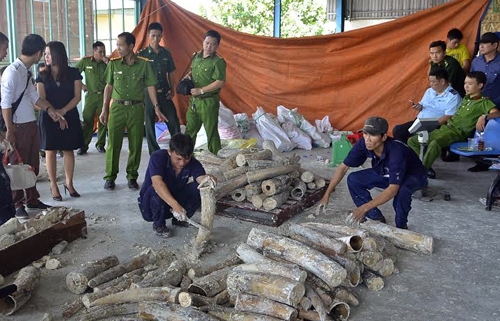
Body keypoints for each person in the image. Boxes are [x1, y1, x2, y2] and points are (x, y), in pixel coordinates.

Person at [317, 117, 427, 229]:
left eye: (373, 135)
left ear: (384, 137)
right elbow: (343, 167)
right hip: (386, 171)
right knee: (354, 179)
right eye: (365, 133)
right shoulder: (364, 143)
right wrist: (327, 194)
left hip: (413, 175)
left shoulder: (396, 151)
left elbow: (393, 189)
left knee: (402, 192)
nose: (367, 139)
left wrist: (363, 208)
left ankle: (401, 227)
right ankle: (375, 217)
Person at [1, 34, 64, 218]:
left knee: (31, 166)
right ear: (37, 53)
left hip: (29, 125)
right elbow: (5, 104)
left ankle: (32, 199)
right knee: (17, 166)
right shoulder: (12, 72)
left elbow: (33, 96)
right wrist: (10, 130)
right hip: (16, 127)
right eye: (42, 53)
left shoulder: (24, 71)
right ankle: (17, 204)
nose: (43, 56)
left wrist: (51, 111)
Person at [99, 32, 166, 191]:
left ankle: (132, 176)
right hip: (117, 108)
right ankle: (110, 177)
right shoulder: (113, 64)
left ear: (130, 46)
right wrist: (104, 109)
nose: (118, 48)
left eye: (121, 45)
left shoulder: (144, 64)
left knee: (135, 144)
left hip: (136, 108)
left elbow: (150, 86)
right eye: (117, 45)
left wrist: (156, 107)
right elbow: (108, 86)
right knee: (113, 144)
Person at [407, 72, 499, 179]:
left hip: (457, 133)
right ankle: (423, 166)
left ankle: (420, 172)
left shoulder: (484, 102)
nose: (466, 86)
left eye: (470, 84)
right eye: (465, 83)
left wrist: (484, 116)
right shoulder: (466, 98)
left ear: (480, 85)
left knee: (434, 143)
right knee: (412, 141)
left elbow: (497, 113)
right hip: (445, 128)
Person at [138, 133, 216, 237]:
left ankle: (179, 220)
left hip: (173, 201)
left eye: (186, 159)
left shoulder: (193, 163)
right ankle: (159, 225)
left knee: (198, 188)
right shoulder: (158, 157)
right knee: (155, 190)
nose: (182, 163)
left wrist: (208, 179)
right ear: (170, 151)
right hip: (151, 206)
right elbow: (157, 184)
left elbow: (200, 178)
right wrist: (175, 205)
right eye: (178, 159)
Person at [37, 41, 84, 201]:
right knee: (50, 151)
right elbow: (41, 97)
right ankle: (53, 185)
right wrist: (55, 114)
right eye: (45, 54)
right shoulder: (42, 74)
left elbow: (77, 96)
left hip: (69, 114)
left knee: (68, 150)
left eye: (49, 53)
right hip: (48, 115)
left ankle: (69, 183)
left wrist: (63, 112)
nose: (46, 57)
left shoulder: (74, 73)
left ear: (58, 54)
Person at [138, 22, 180, 155]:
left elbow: (171, 72)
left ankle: (177, 149)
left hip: (164, 93)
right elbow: (139, 77)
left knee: (173, 121)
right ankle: (154, 153)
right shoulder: (142, 55)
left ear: (162, 36)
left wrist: (172, 89)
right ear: (148, 36)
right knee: (149, 125)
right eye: (153, 36)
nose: (156, 39)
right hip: (148, 96)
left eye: (158, 36)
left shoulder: (166, 53)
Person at [184, 30, 226, 155]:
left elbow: (220, 82)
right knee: (190, 131)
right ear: (203, 42)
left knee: (211, 132)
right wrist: (188, 76)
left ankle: (216, 158)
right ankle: (186, 157)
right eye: (207, 43)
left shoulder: (218, 61)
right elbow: (194, 71)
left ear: (217, 46)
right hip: (194, 102)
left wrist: (201, 90)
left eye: (213, 44)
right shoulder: (196, 56)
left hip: (208, 101)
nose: (209, 47)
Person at [393, 67, 461, 143]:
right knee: (397, 129)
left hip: (434, 126)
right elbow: (422, 105)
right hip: (419, 121)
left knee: (404, 134)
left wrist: (430, 124)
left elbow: (449, 116)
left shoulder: (453, 96)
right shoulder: (430, 91)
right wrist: (419, 106)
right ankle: (404, 152)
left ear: (442, 81)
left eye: (433, 82)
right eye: (430, 81)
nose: (430, 84)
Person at [468, 33, 500, 172]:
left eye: (485, 43)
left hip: (497, 101)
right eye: (480, 43)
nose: (481, 46)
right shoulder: (476, 62)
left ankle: (494, 158)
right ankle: (481, 160)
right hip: (479, 101)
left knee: (492, 130)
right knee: (478, 131)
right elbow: (471, 79)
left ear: (495, 45)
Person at [75, 41, 108, 155]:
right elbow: (74, 74)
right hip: (91, 95)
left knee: (103, 120)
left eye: (104, 51)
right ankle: (84, 145)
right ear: (94, 52)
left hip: (104, 95)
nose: (103, 54)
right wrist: (82, 85)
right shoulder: (86, 61)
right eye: (100, 52)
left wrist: (108, 63)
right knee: (87, 119)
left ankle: (100, 144)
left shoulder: (108, 63)